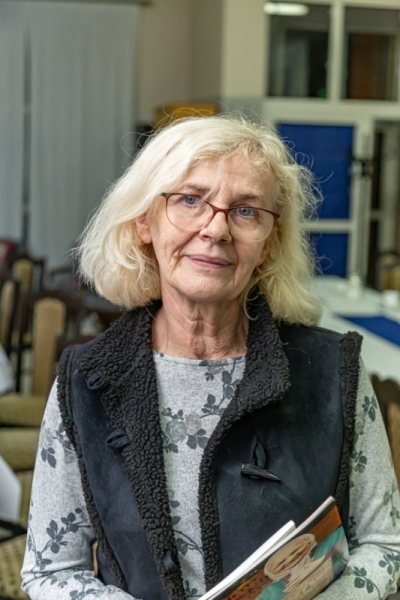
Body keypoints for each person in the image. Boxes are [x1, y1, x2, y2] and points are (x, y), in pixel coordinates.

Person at [21, 115, 400, 599]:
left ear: (269, 243)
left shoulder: (332, 372)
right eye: (189, 200)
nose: (215, 228)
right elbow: (51, 571)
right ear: (144, 222)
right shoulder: (87, 381)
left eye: (246, 211)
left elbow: (386, 545)